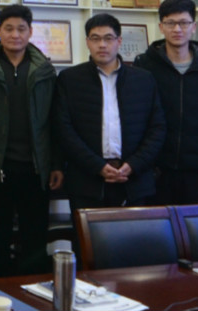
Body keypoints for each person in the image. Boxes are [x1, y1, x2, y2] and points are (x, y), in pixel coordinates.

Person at [0, 4, 61, 277]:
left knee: (34, 239)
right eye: (8, 29)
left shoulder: (45, 71)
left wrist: (55, 164)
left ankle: (33, 292)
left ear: (30, 32)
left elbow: (55, 122)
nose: (15, 35)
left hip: (35, 169)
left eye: (21, 29)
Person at [55, 13, 166, 212]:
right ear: (87, 42)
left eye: (108, 38)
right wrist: (97, 166)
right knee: (86, 233)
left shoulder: (143, 80)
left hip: (134, 181)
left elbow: (157, 128)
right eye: (95, 38)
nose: (102, 45)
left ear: (119, 41)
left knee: (133, 233)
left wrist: (133, 165)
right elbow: (64, 130)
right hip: (86, 181)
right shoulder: (69, 79)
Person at [134, 0, 198, 205]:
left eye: (184, 23)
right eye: (170, 23)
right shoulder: (144, 65)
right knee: (154, 223)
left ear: (194, 27)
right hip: (153, 167)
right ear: (161, 27)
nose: (177, 29)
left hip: (193, 167)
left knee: (188, 224)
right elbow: (135, 116)